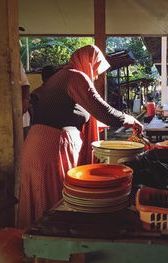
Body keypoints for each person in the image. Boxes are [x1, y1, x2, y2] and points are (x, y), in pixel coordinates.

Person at [17, 45, 143, 229]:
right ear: (89, 62)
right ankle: (53, 251)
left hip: (36, 144)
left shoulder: (58, 78)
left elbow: (70, 111)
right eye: (97, 69)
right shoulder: (76, 77)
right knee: (54, 205)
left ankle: (36, 250)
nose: (97, 76)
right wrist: (130, 120)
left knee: (37, 197)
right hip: (53, 147)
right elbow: (104, 111)